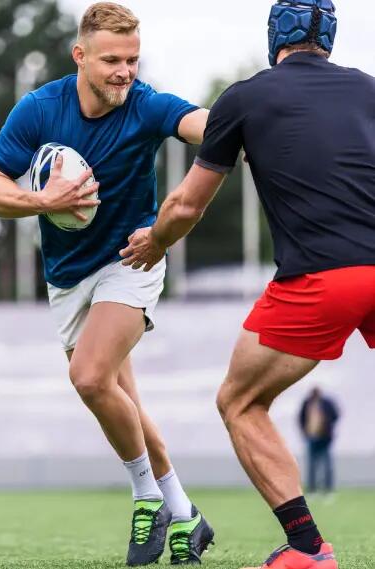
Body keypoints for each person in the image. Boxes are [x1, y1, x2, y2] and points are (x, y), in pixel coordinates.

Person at [120, 0, 375, 567]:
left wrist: (156, 241)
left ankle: (308, 549)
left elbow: (187, 204)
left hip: (322, 276)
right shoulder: (369, 89)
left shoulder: (246, 97)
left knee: (239, 401)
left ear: (275, 34)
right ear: (330, 36)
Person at [0, 2, 214, 565]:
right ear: (79, 56)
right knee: (121, 397)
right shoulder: (39, 109)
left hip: (131, 261)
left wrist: (245, 119)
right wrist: (43, 201)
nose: (124, 71)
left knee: (88, 377)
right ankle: (186, 515)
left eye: (132, 59)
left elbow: (200, 124)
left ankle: (145, 498)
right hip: (66, 278)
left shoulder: (146, 104)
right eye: (111, 60)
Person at [299, 388, 340, 494]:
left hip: (325, 438)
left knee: (326, 465)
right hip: (311, 437)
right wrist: (304, 431)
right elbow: (301, 418)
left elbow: (336, 415)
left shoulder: (327, 403)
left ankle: (327, 490)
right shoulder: (307, 403)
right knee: (311, 466)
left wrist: (327, 425)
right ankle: (312, 489)